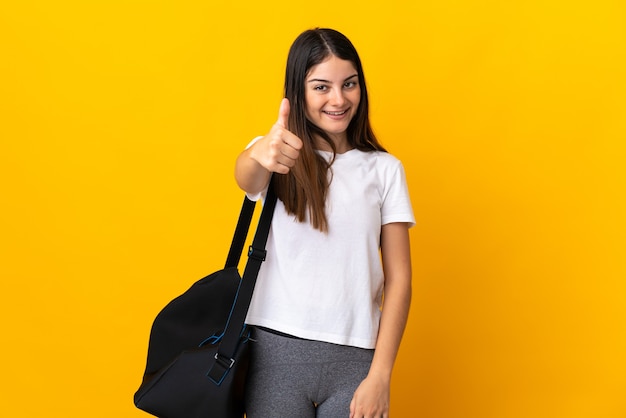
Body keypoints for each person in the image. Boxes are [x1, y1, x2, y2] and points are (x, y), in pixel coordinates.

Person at [234, 28, 415, 418]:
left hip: (357, 361)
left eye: (349, 84)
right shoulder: (277, 155)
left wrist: (380, 375)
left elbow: (400, 280)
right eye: (321, 87)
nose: (338, 99)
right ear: (298, 92)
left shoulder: (384, 170)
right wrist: (261, 152)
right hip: (274, 354)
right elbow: (246, 175)